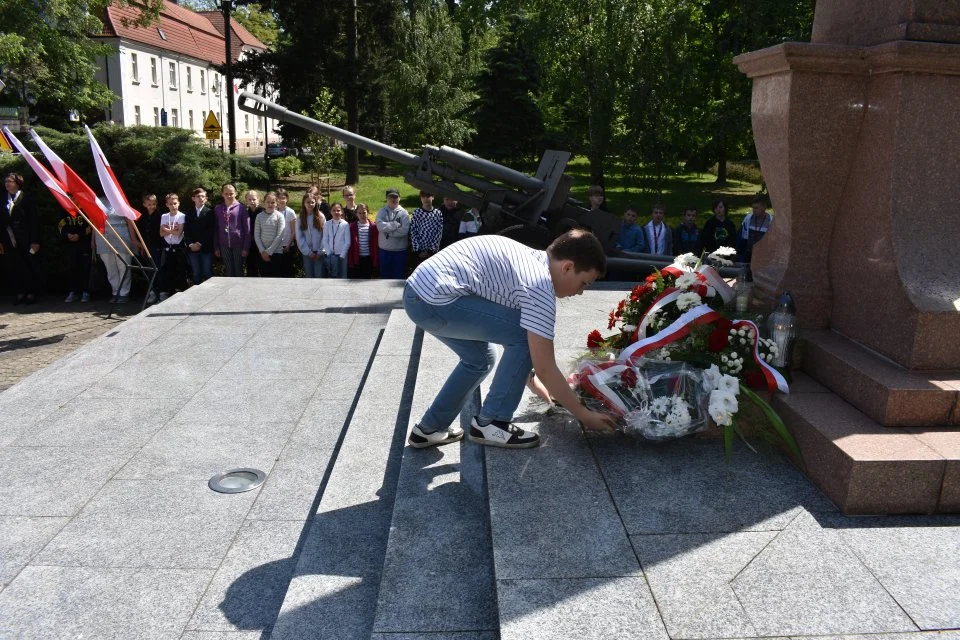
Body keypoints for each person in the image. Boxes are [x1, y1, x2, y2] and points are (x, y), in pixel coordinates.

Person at [404, 229, 617, 450]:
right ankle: (492, 422)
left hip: (419, 295)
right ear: (568, 267)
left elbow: (524, 357)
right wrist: (583, 414)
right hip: (435, 300)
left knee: (480, 360)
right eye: (584, 283)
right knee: (523, 333)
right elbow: (543, 363)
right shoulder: (539, 285)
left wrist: (533, 382)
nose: (581, 292)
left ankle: (429, 429)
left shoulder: (529, 262)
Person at [0, 173, 41, 304]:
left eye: (10, 181)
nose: (7, 184)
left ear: (17, 183)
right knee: (14, 266)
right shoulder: (2, 198)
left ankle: (31, 293)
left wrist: (35, 240)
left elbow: (34, 220)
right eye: (6, 181)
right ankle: (19, 292)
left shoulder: (26, 198)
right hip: (8, 238)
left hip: (26, 238)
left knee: (28, 265)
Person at [96, 205, 139, 303]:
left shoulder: (119, 200)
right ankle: (115, 292)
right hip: (103, 239)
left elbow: (129, 220)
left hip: (122, 238)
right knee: (110, 268)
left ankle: (124, 293)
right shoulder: (98, 200)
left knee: (124, 267)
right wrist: (93, 241)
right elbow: (94, 221)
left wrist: (133, 239)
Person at [213, 183, 249, 277]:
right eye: (226, 194)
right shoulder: (218, 208)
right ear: (222, 194)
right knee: (229, 271)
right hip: (224, 245)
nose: (229, 196)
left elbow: (247, 229)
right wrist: (216, 247)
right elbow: (216, 229)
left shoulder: (242, 208)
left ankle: (239, 291)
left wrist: (245, 247)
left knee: (238, 271)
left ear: (235, 193)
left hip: (238, 244)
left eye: (231, 193)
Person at [158, 193, 188, 300]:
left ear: (178, 203)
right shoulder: (164, 216)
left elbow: (179, 233)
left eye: (175, 203)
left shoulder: (182, 216)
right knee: (167, 270)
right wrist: (172, 230)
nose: (173, 206)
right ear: (167, 205)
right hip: (167, 246)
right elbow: (161, 234)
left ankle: (182, 292)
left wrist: (167, 230)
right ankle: (169, 292)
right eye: (170, 204)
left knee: (180, 270)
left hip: (178, 247)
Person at [59, 207, 92, 303]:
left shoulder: (84, 208)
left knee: (85, 268)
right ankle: (72, 291)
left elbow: (90, 225)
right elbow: (61, 225)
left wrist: (80, 235)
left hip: (84, 244)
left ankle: (85, 291)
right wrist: (67, 235)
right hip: (69, 245)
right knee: (71, 267)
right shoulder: (64, 208)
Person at [376, 187, 409, 279]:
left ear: (399, 198)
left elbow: (404, 231)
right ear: (386, 199)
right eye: (390, 197)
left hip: (400, 252)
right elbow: (379, 226)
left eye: (395, 197)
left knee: (398, 278)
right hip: (384, 251)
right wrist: (395, 225)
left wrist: (388, 233)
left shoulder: (404, 213)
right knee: (384, 278)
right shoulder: (382, 211)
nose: (393, 199)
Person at [183, 187, 215, 284]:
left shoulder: (210, 212)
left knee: (207, 272)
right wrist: (190, 244)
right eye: (198, 196)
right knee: (196, 273)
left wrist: (200, 243)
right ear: (193, 198)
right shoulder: (189, 213)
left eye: (203, 196)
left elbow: (210, 230)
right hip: (192, 248)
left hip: (206, 247)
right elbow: (186, 230)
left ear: (206, 199)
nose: (201, 198)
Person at [136, 193, 163, 303]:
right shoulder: (143, 217)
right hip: (147, 247)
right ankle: (152, 292)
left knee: (159, 269)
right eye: (149, 204)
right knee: (150, 270)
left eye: (153, 204)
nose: (151, 206)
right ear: (144, 204)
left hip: (158, 247)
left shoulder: (160, 215)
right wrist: (142, 247)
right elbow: (141, 232)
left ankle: (162, 292)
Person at [254, 191, 285, 277]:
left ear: (277, 204)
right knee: (264, 277)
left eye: (273, 202)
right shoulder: (259, 216)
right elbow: (256, 235)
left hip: (276, 252)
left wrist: (269, 252)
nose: (270, 204)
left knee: (275, 277)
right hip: (262, 252)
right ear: (264, 203)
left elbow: (280, 235)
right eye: (268, 202)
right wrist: (262, 251)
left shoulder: (280, 216)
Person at [409, 190, 442, 270]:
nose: (425, 199)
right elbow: (413, 232)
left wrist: (431, 251)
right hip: (419, 252)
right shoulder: (417, 212)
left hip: (432, 253)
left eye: (428, 196)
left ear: (433, 197)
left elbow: (438, 233)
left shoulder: (438, 213)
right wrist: (418, 251)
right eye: (423, 197)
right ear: (420, 198)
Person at [737, 195, 773, 266]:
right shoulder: (748, 219)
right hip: (748, 256)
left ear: (764, 207)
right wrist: (739, 254)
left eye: (756, 208)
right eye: (753, 208)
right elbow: (741, 239)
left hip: (764, 258)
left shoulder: (771, 222)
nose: (754, 210)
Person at [296, 192, 325, 278]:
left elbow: (325, 235)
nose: (310, 204)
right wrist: (308, 252)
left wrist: (320, 251)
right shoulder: (301, 218)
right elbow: (299, 237)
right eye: (308, 202)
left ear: (316, 203)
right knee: (309, 275)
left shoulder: (321, 217)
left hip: (319, 252)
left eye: (312, 202)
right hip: (307, 252)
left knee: (319, 275)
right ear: (304, 203)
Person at [348, 202, 378, 279]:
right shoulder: (352, 227)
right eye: (359, 213)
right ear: (356, 214)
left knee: (367, 279)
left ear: (367, 212)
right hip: (357, 258)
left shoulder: (373, 226)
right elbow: (351, 245)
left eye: (364, 212)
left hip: (368, 258)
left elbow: (375, 244)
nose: (362, 215)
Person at [322, 202, 350, 278]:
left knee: (343, 275)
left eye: (338, 210)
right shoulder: (327, 224)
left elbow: (347, 241)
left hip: (342, 255)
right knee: (332, 276)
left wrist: (342, 255)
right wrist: (329, 253)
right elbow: (325, 240)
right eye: (333, 210)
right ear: (330, 212)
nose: (336, 212)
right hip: (331, 255)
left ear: (341, 212)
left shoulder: (345, 224)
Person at [276, 188, 297, 277]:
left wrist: (288, 245)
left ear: (287, 199)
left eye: (283, 198)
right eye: (279, 198)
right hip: (276, 245)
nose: (281, 200)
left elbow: (293, 230)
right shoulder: (274, 211)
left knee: (288, 269)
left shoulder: (290, 212)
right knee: (278, 269)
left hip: (288, 245)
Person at [243, 190, 263, 277]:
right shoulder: (245, 212)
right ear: (246, 201)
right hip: (250, 244)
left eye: (254, 199)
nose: (252, 201)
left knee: (262, 267)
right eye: (249, 199)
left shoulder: (263, 211)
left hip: (261, 244)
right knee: (251, 268)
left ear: (258, 199)